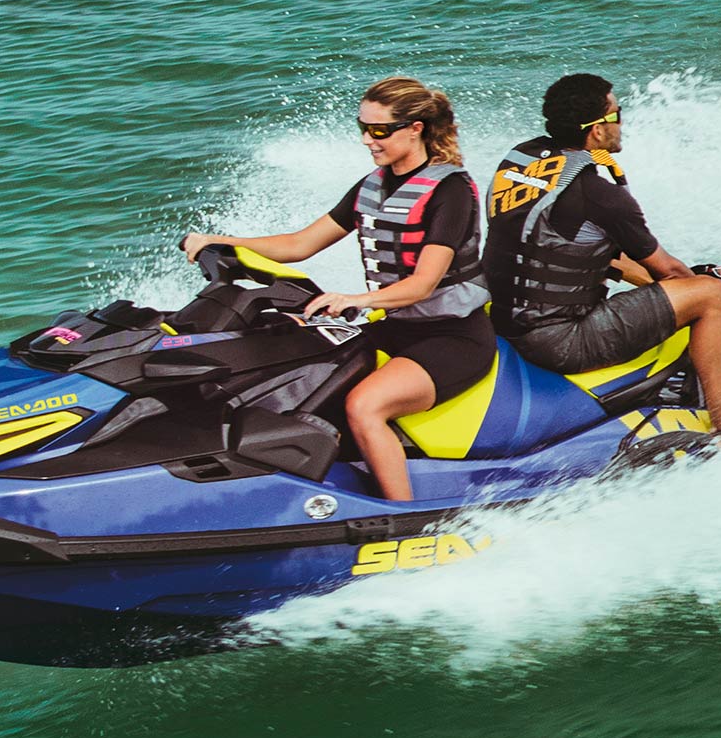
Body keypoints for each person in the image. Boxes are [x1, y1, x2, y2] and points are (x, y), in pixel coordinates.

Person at [179, 76, 489, 502]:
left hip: (452, 337)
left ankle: (404, 518)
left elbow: (424, 284)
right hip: (393, 328)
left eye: (379, 130)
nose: (367, 140)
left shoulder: (450, 189)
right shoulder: (372, 186)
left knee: (365, 407)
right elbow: (299, 245)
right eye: (362, 127)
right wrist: (223, 242)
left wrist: (354, 300)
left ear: (415, 128)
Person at [483, 72, 721, 444]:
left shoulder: (522, 163)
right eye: (617, 113)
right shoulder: (600, 194)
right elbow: (668, 270)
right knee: (713, 297)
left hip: (506, 319)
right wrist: (704, 284)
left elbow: (565, 251)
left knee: (690, 288)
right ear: (596, 131)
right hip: (560, 340)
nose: (621, 123)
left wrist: (665, 282)